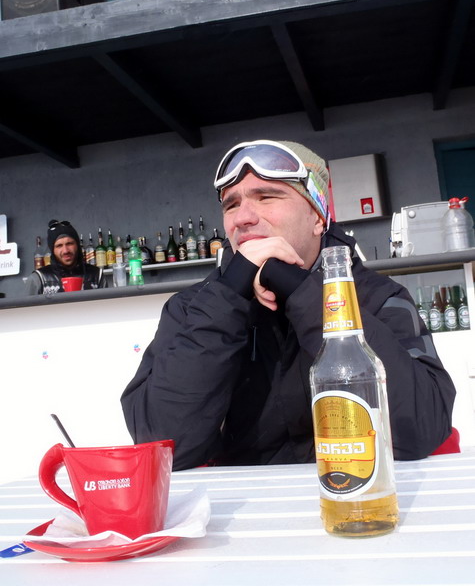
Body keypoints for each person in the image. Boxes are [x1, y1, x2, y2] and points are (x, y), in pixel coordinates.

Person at [121, 140, 456, 470]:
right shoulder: (192, 308)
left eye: (266, 197)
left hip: (355, 492)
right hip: (238, 501)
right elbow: (162, 446)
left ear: (318, 217)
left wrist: (302, 291)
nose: (243, 218)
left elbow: (420, 427)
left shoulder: (376, 297)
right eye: (231, 205)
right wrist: (229, 295)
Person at [26, 219, 107, 295]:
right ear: (52, 250)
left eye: (69, 244)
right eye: (59, 246)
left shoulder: (97, 275)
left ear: (77, 245)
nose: (65, 251)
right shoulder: (39, 278)